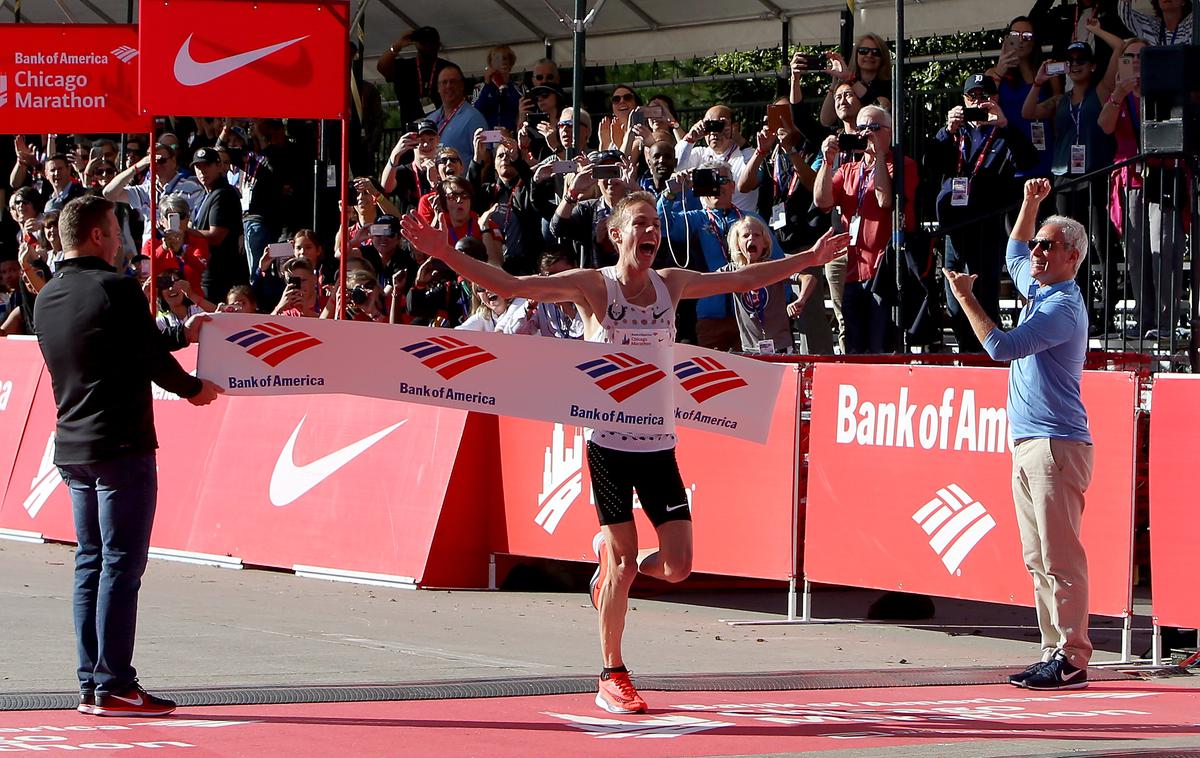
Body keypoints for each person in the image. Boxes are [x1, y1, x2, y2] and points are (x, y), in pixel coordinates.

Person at [400, 193, 849, 715]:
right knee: (622, 559)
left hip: (659, 444)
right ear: (617, 235)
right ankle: (611, 671)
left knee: (677, 566)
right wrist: (446, 250)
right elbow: (510, 286)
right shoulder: (595, 286)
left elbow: (746, 280)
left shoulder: (671, 284)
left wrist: (811, 259)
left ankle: (612, 570)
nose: (652, 232)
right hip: (609, 446)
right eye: (640, 224)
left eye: (656, 225)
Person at [32, 195, 222, 717]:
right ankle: (114, 683)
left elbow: (114, 347)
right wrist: (192, 389)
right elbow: (145, 357)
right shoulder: (116, 288)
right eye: (115, 230)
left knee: (90, 563)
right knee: (120, 564)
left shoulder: (47, 297)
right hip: (120, 445)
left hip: (73, 445)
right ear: (96, 235)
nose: (121, 240)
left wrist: (178, 336)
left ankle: (94, 683)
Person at [944, 178, 1093, 691]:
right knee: (1038, 557)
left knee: (1060, 555)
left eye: (1047, 245)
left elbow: (1001, 347)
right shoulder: (1039, 286)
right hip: (1032, 440)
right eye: (1038, 243)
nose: (1035, 250)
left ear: (1072, 256)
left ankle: (1072, 656)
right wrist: (1031, 205)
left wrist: (966, 298)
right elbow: (1012, 249)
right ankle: (1054, 650)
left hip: (1055, 442)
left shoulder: (1060, 306)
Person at [933, 73, 1036, 352]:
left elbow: (1028, 159)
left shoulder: (1003, 132)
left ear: (996, 99)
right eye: (972, 96)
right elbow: (929, 162)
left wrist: (1004, 124)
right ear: (964, 100)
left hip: (985, 222)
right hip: (954, 224)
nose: (978, 102)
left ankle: (984, 354)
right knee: (954, 293)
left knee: (983, 290)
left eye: (985, 96)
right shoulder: (957, 133)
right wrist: (947, 130)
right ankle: (965, 350)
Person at [814, 105, 919, 353]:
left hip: (884, 271)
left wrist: (880, 155)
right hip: (853, 269)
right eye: (861, 128)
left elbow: (885, 200)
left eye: (873, 128)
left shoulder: (903, 164)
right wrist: (827, 163)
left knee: (880, 343)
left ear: (889, 133)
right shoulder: (849, 168)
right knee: (854, 343)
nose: (865, 134)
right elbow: (822, 201)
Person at [189, 147, 247, 304]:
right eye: (198, 167)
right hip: (209, 273)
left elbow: (216, 236)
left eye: (207, 166)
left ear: (219, 166)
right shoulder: (207, 195)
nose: (202, 171)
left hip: (221, 276)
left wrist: (185, 232)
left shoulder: (223, 194)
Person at [377, 26, 454, 128]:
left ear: (438, 45)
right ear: (416, 44)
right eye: (423, 42)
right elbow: (382, 67)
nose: (427, 46)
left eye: (431, 42)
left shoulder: (449, 69)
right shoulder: (404, 67)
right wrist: (397, 46)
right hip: (411, 131)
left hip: (443, 129)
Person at [820, 33, 894, 127]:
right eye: (863, 51)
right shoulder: (846, 83)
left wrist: (849, 78)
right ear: (856, 55)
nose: (869, 55)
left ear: (883, 57)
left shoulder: (889, 85)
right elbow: (826, 120)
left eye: (876, 52)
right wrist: (836, 80)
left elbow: (880, 107)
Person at [429, 64, 490, 161]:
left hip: (462, 176)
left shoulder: (475, 118)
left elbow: (486, 160)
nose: (448, 86)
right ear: (438, 88)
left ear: (462, 86)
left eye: (453, 82)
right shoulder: (430, 119)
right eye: (444, 82)